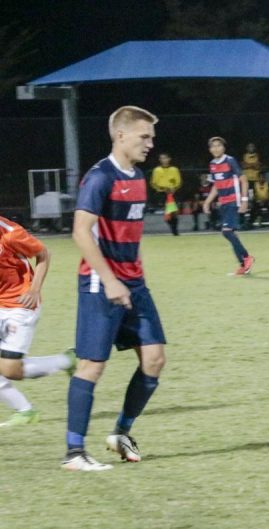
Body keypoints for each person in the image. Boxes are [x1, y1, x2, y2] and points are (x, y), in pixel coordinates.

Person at [64, 105, 167, 471]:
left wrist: (136, 277)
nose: (150, 144)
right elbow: (80, 232)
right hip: (99, 283)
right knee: (92, 365)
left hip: (134, 283)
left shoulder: (138, 178)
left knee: (154, 359)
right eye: (144, 136)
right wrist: (109, 280)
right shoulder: (99, 178)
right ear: (120, 136)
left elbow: (131, 236)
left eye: (151, 137)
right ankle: (74, 452)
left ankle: (121, 432)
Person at [0, 214, 75, 428]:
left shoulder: (10, 233)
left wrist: (34, 290)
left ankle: (67, 361)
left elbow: (43, 254)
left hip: (19, 304)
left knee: (10, 370)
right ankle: (25, 411)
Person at [202, 136, 254, 275]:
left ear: (223, 148)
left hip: (234, 200)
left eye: (219, 145)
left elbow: (244, 180)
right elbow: (216, 186)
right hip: (223, 202)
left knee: (226, 231)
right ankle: (244, 265)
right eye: (213, 146)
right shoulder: (212, 164)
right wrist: (207, 201)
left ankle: (246, 258)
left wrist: (244, 200)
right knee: (231, 233)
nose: (216, 148)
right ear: (210, 149)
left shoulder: (230, 161)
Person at [149, 152, 182, 235]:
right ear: (160, 160)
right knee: (167, 214)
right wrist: (162, 189)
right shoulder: (157, 170)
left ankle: (175, 231)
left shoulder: (174, 169)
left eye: (165, 158)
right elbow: (153, 183)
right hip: (162, 194)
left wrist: (174, 188)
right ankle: (173, 230)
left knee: (173, 212)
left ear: (169, 159)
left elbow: (179, 182)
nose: (164, 160)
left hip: (173, 193)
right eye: (162, 158)